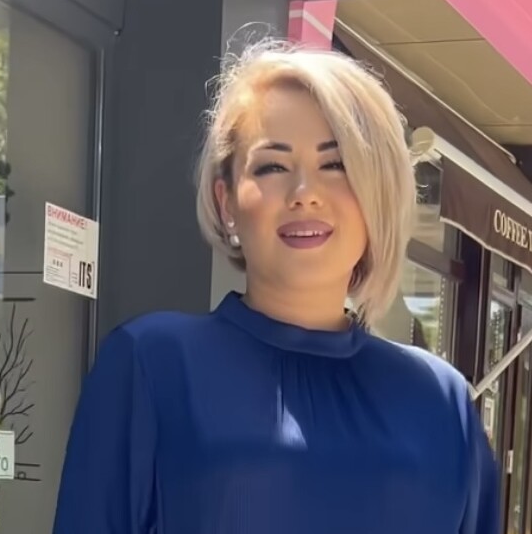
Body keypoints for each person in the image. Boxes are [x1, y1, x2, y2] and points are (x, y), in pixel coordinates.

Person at [52, 39, 500, 534]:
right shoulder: (151, 365)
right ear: (226, 202)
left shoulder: (442, 404)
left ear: (380, 193)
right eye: (272, 166)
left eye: (336, 164)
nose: (305, 194)